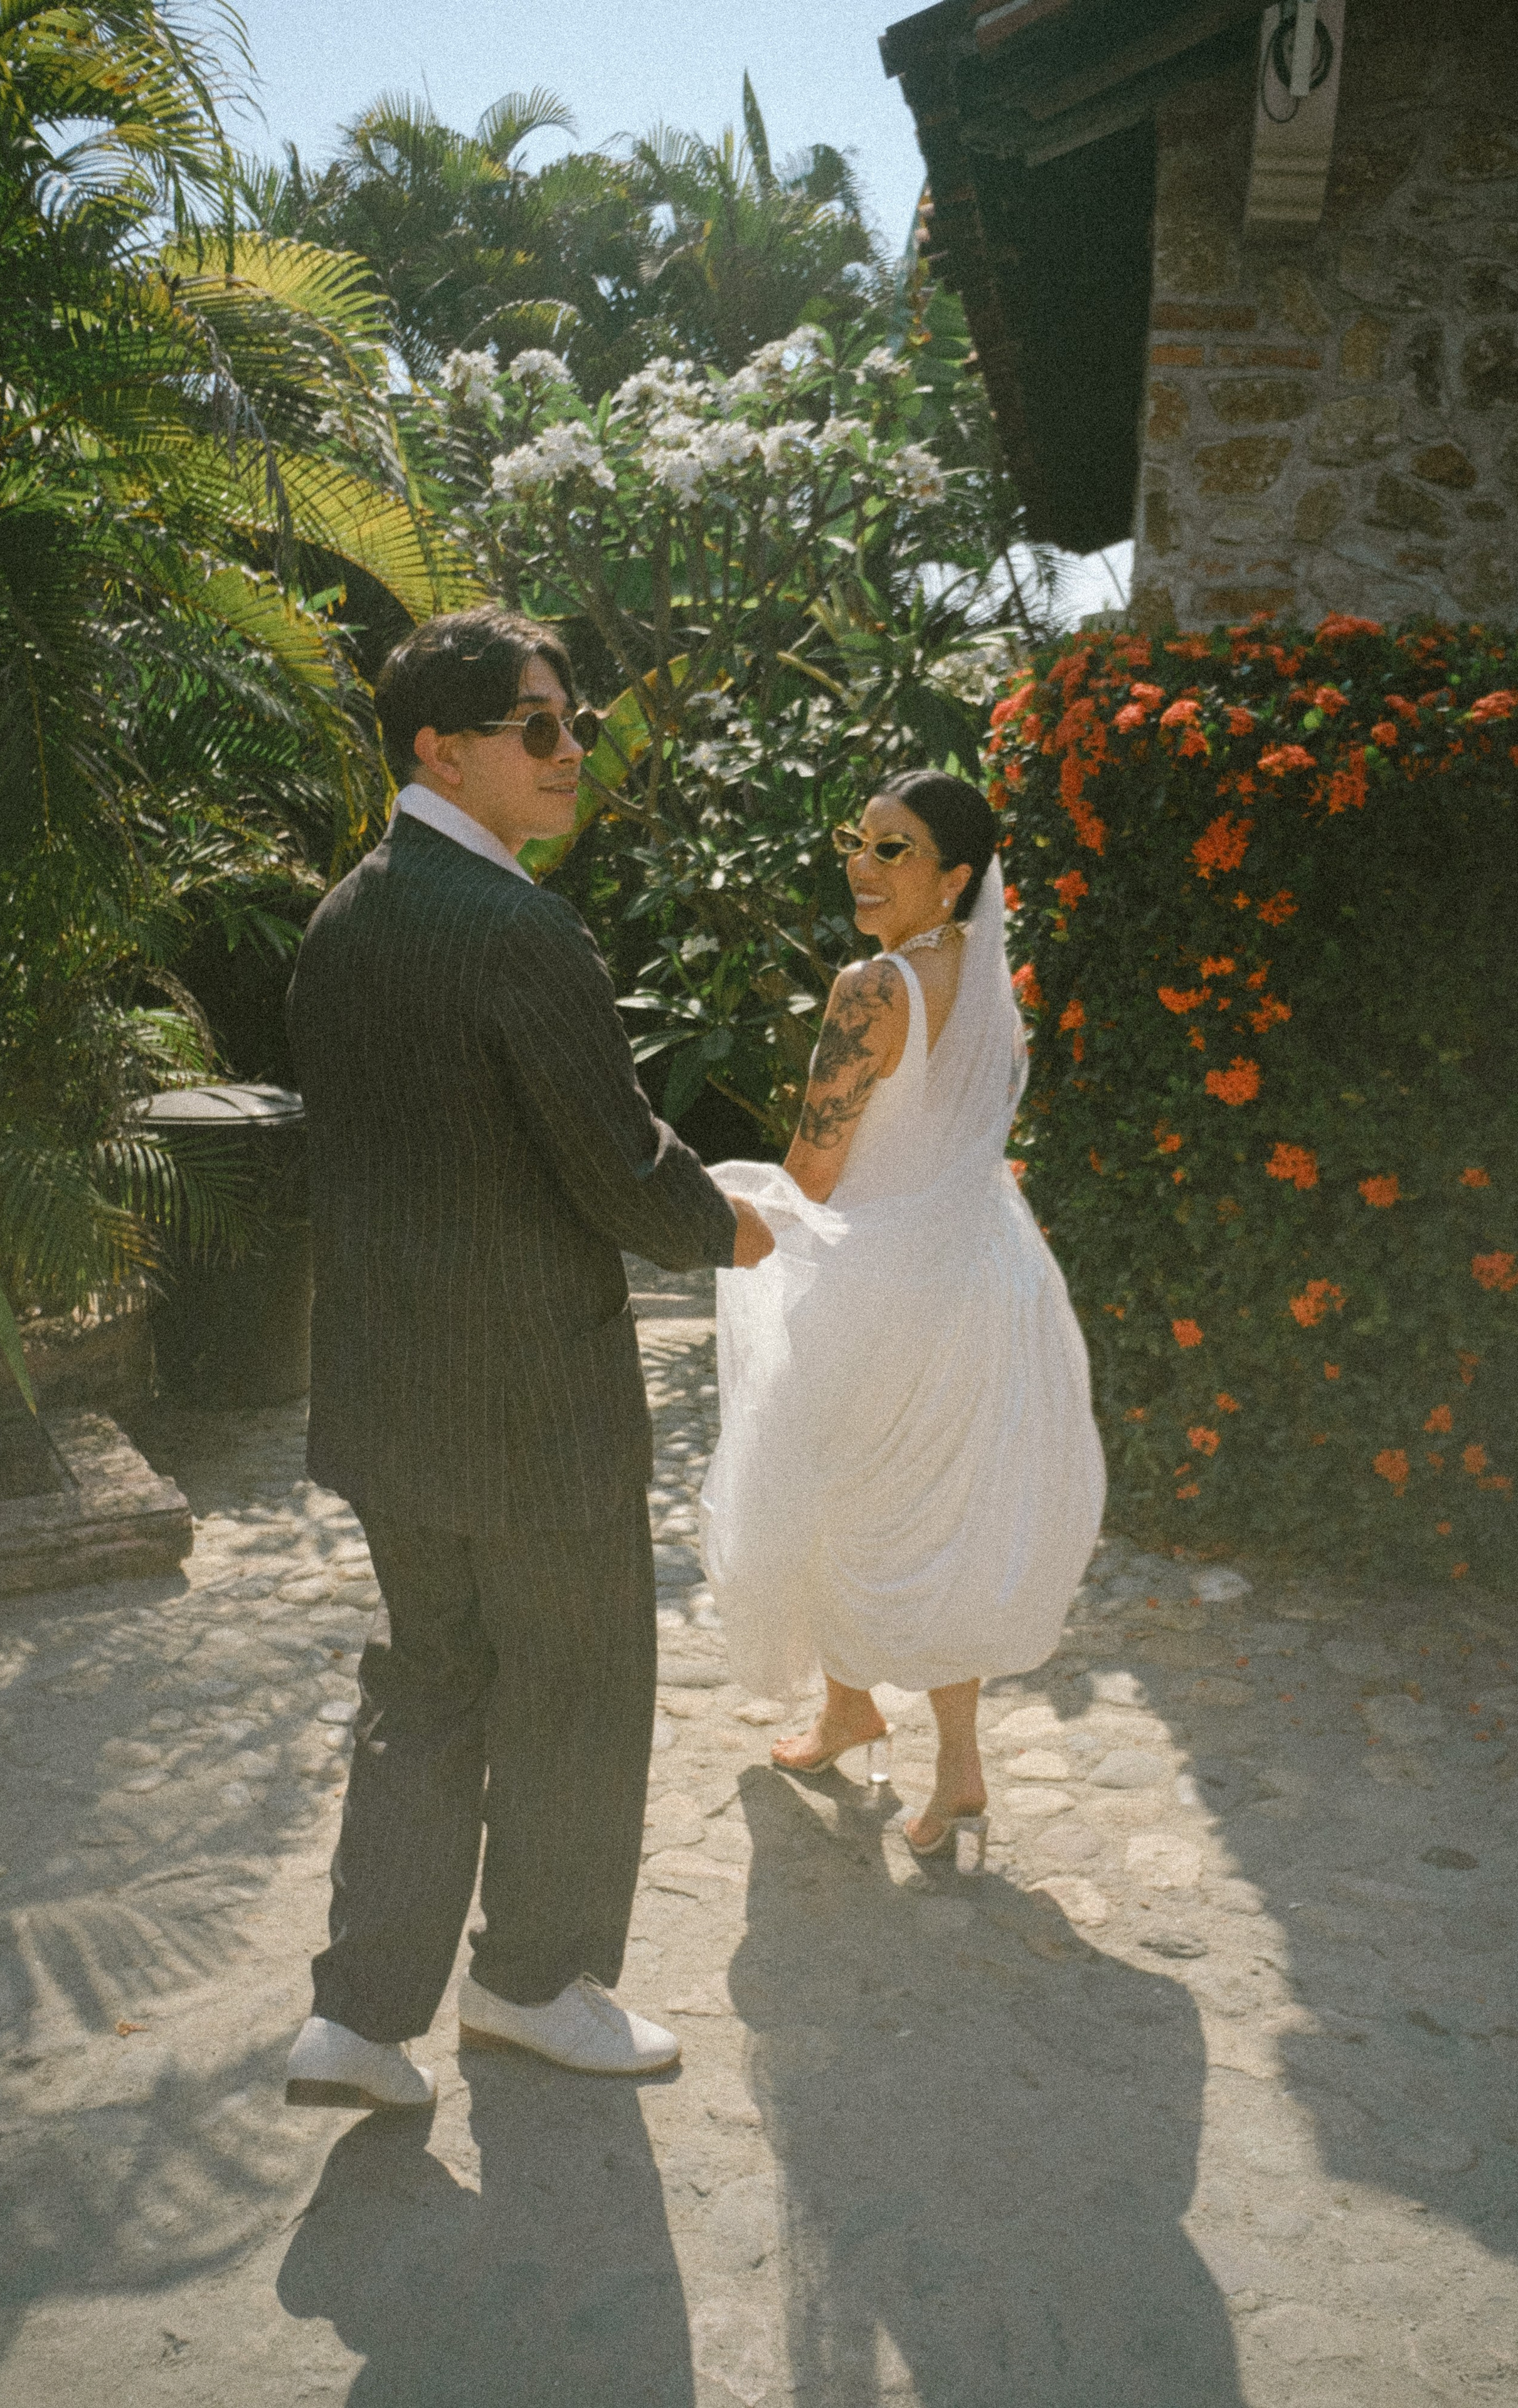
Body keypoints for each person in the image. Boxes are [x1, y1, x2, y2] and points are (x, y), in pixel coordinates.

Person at [282, 606, 774, 2111]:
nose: (574, 755)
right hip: (533, 1414)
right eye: (541, 727)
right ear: (444, 748)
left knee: (426, 1686)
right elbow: (618, 1170)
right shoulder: (518, 928)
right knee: (571, 1694)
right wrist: (739, 1226)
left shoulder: (345, 916)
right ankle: (531, 1987)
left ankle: (358, 2024)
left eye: (571, 723)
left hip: (388, 1398)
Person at [700, 771, 1105, 1862]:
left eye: (897, 850)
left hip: (878, 1274)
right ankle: (915, 1745)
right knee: (936, 1511)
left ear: (956, 876)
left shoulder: (871, 990)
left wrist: (731, 1205)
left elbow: (816, 1171)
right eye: (861, 840)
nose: (865, 867)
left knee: (834, 1491)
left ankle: (876, 1722)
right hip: (979, 1274)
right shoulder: (985, 976)